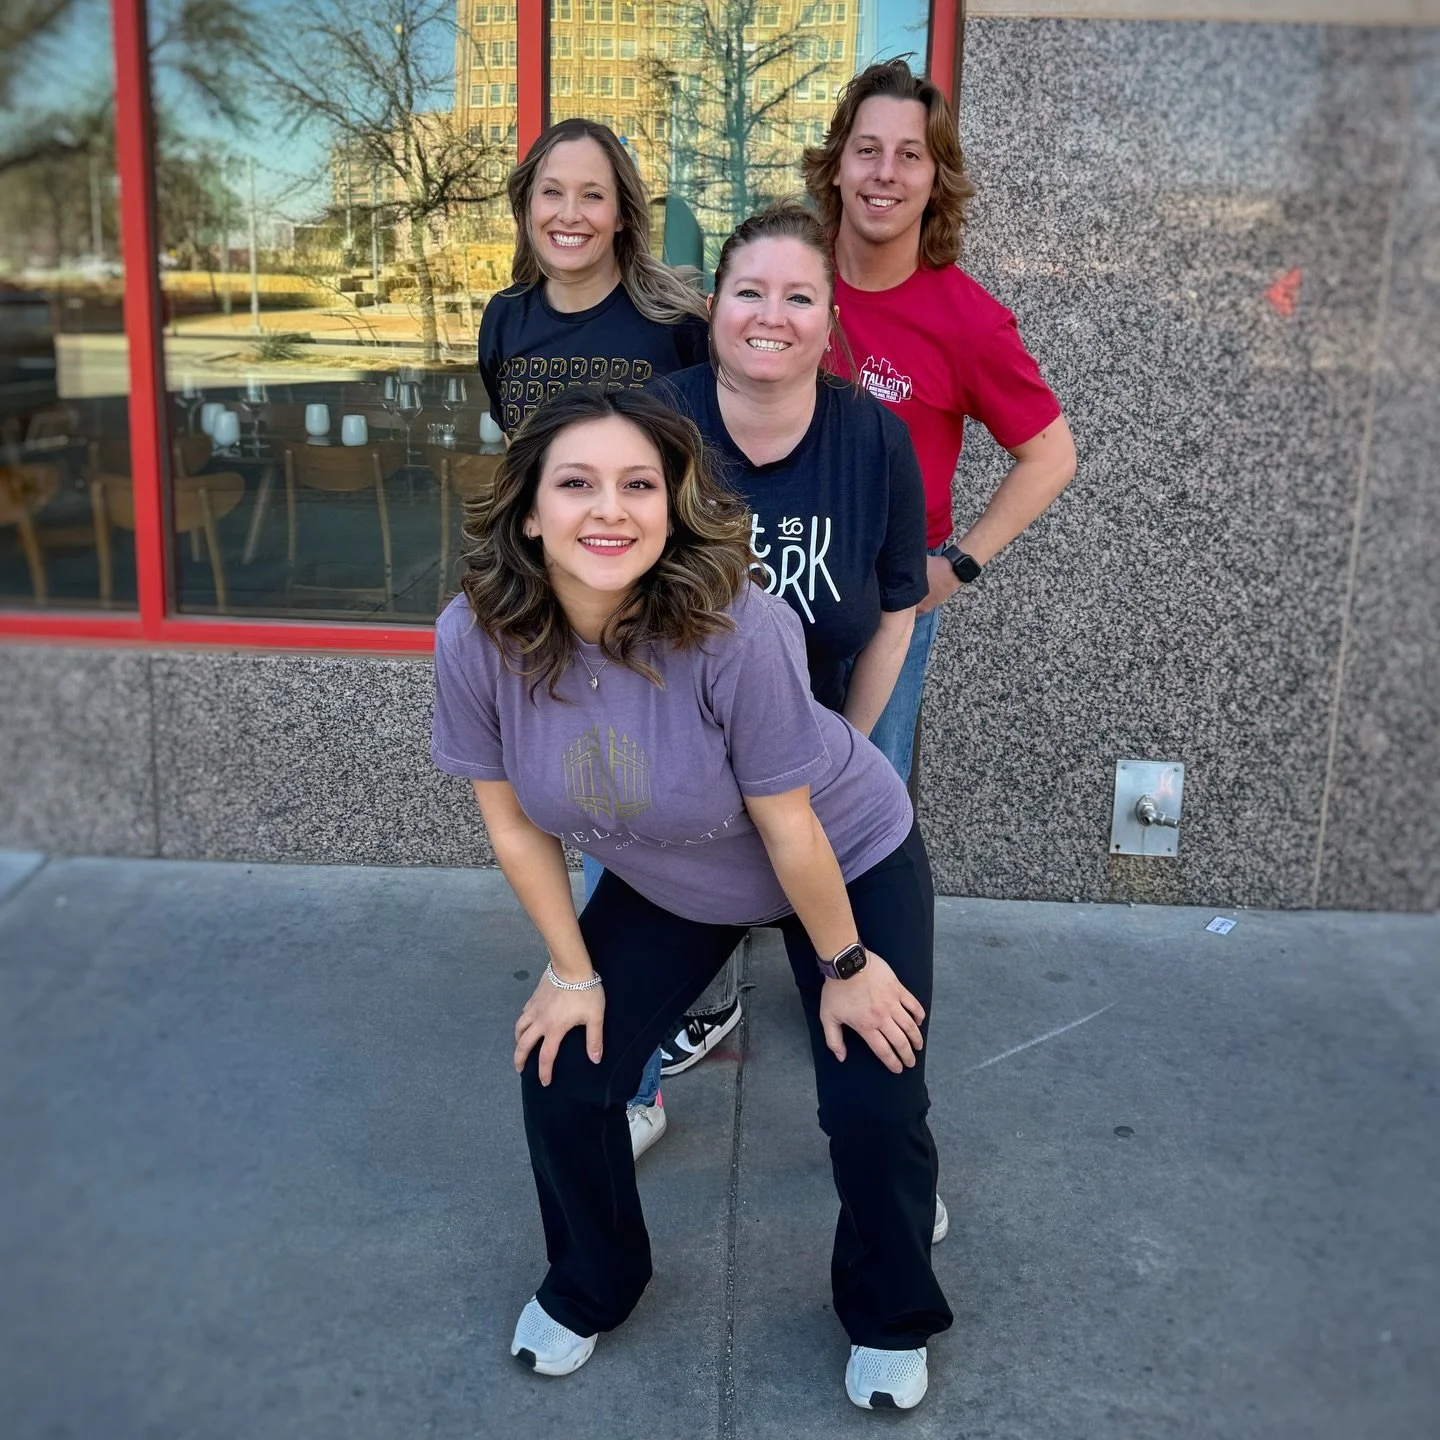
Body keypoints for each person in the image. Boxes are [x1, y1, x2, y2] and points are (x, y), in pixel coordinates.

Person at [431, 386, 952, 1409]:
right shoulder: (474, 638)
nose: (610, 509)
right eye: (576, 483)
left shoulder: (735, 626)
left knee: (873, 1096)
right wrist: (570, 971)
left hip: (840, 857)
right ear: (530, 510)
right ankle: (594, 1280)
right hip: (675, 874)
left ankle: (892, 1308)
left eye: (639, 484)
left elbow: (789, 823)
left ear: (673, 506)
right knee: (564, 1073)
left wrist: (844, 968)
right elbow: (513, 824)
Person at [646, 203, 934, 1100]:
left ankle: (880, 1151)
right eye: (750, 292)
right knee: (614, 989)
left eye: (800, 296)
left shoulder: (874, 438)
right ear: (715, 307)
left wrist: (839, 746)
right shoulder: (655, 427)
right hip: (674, 749)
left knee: (869, 994)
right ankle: (632, 1091)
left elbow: (896, 612)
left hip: (821, 740)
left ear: (829, 323)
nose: (772, 315)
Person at [477, 117, 711, 1156]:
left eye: (592, 195)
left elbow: (701, 459)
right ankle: (633, 1045)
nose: (569, 215)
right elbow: (521, 467)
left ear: (623, 212)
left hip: (648, 617)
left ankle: (637, 1081)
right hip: (543, 612)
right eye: (551, 195)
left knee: (632, 830)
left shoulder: (673, 326)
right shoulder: (505, 321)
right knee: (569, 824)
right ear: (527, 209)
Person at [803, 58, 1077, 782]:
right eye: (867, 150)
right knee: (755, 787)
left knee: (863, 787)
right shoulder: (790, 281)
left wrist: (958, 564)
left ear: (934, 179)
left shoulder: (968, 322)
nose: (885, 172)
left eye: (909, 155)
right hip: (776, 576)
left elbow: (1051, 457)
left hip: (888, 598)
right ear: (837, 167)